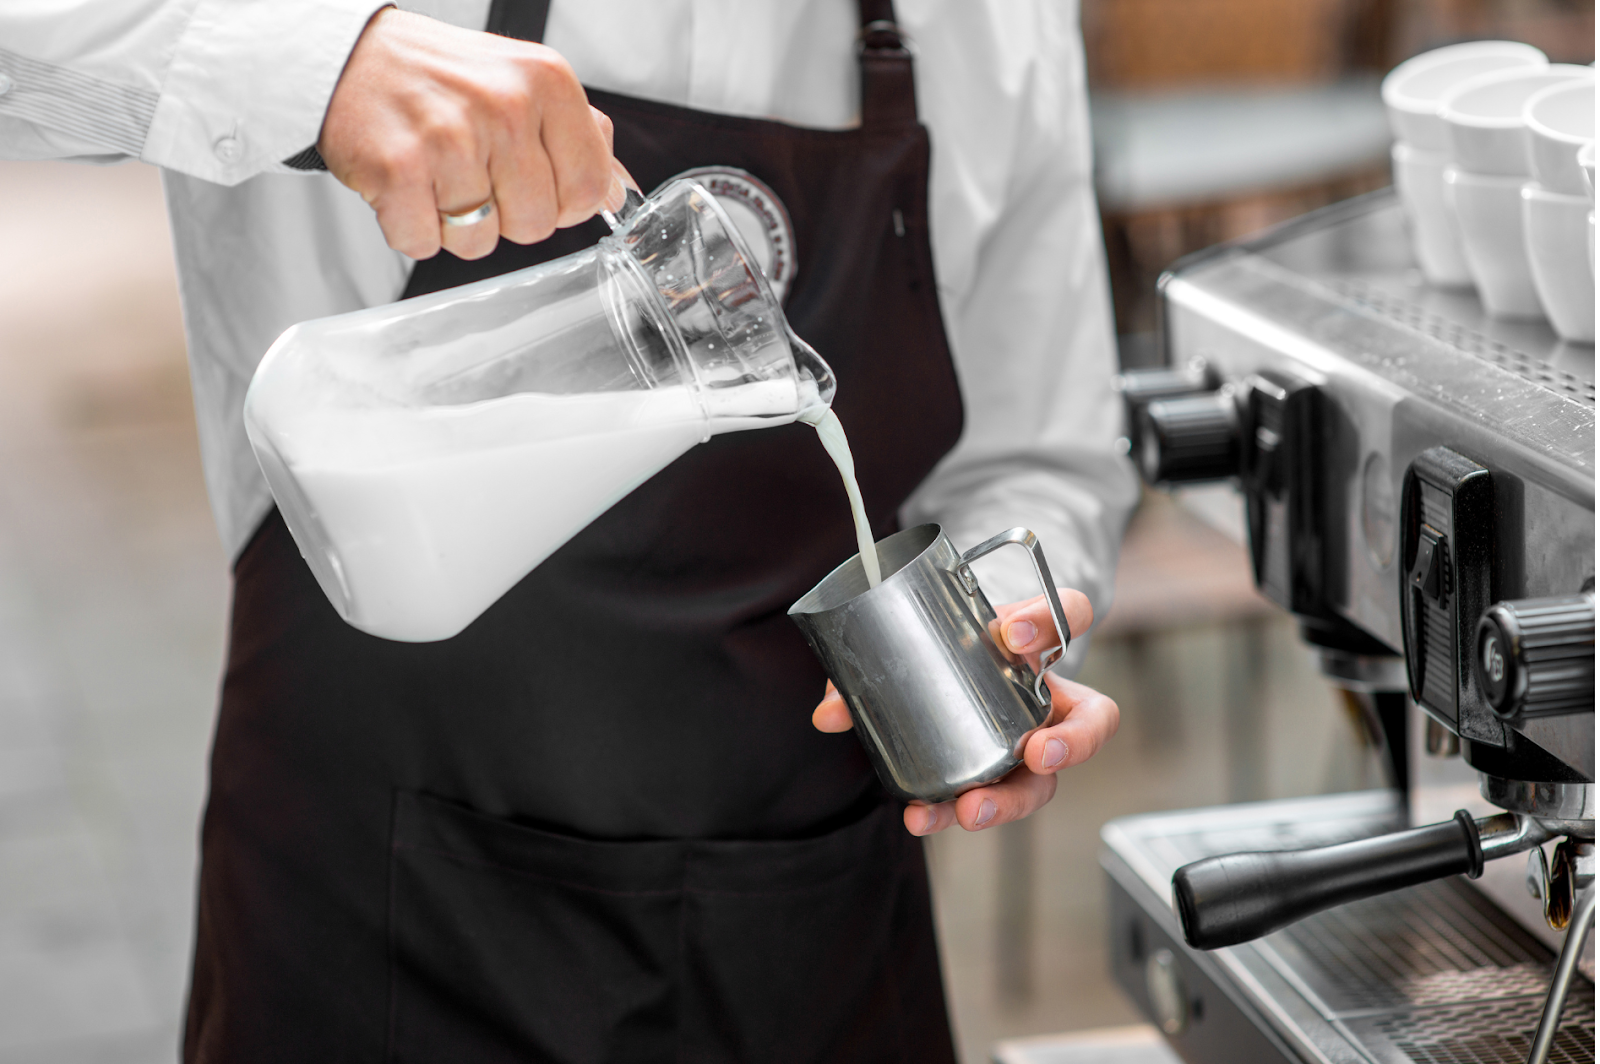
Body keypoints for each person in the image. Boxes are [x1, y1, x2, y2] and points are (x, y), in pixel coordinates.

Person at [3, 1, 1137, 1059]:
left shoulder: (990, 23)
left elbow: (1040, 454)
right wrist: (322, 64)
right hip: (384, 911)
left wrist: (1003, 628)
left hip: (815, 917)